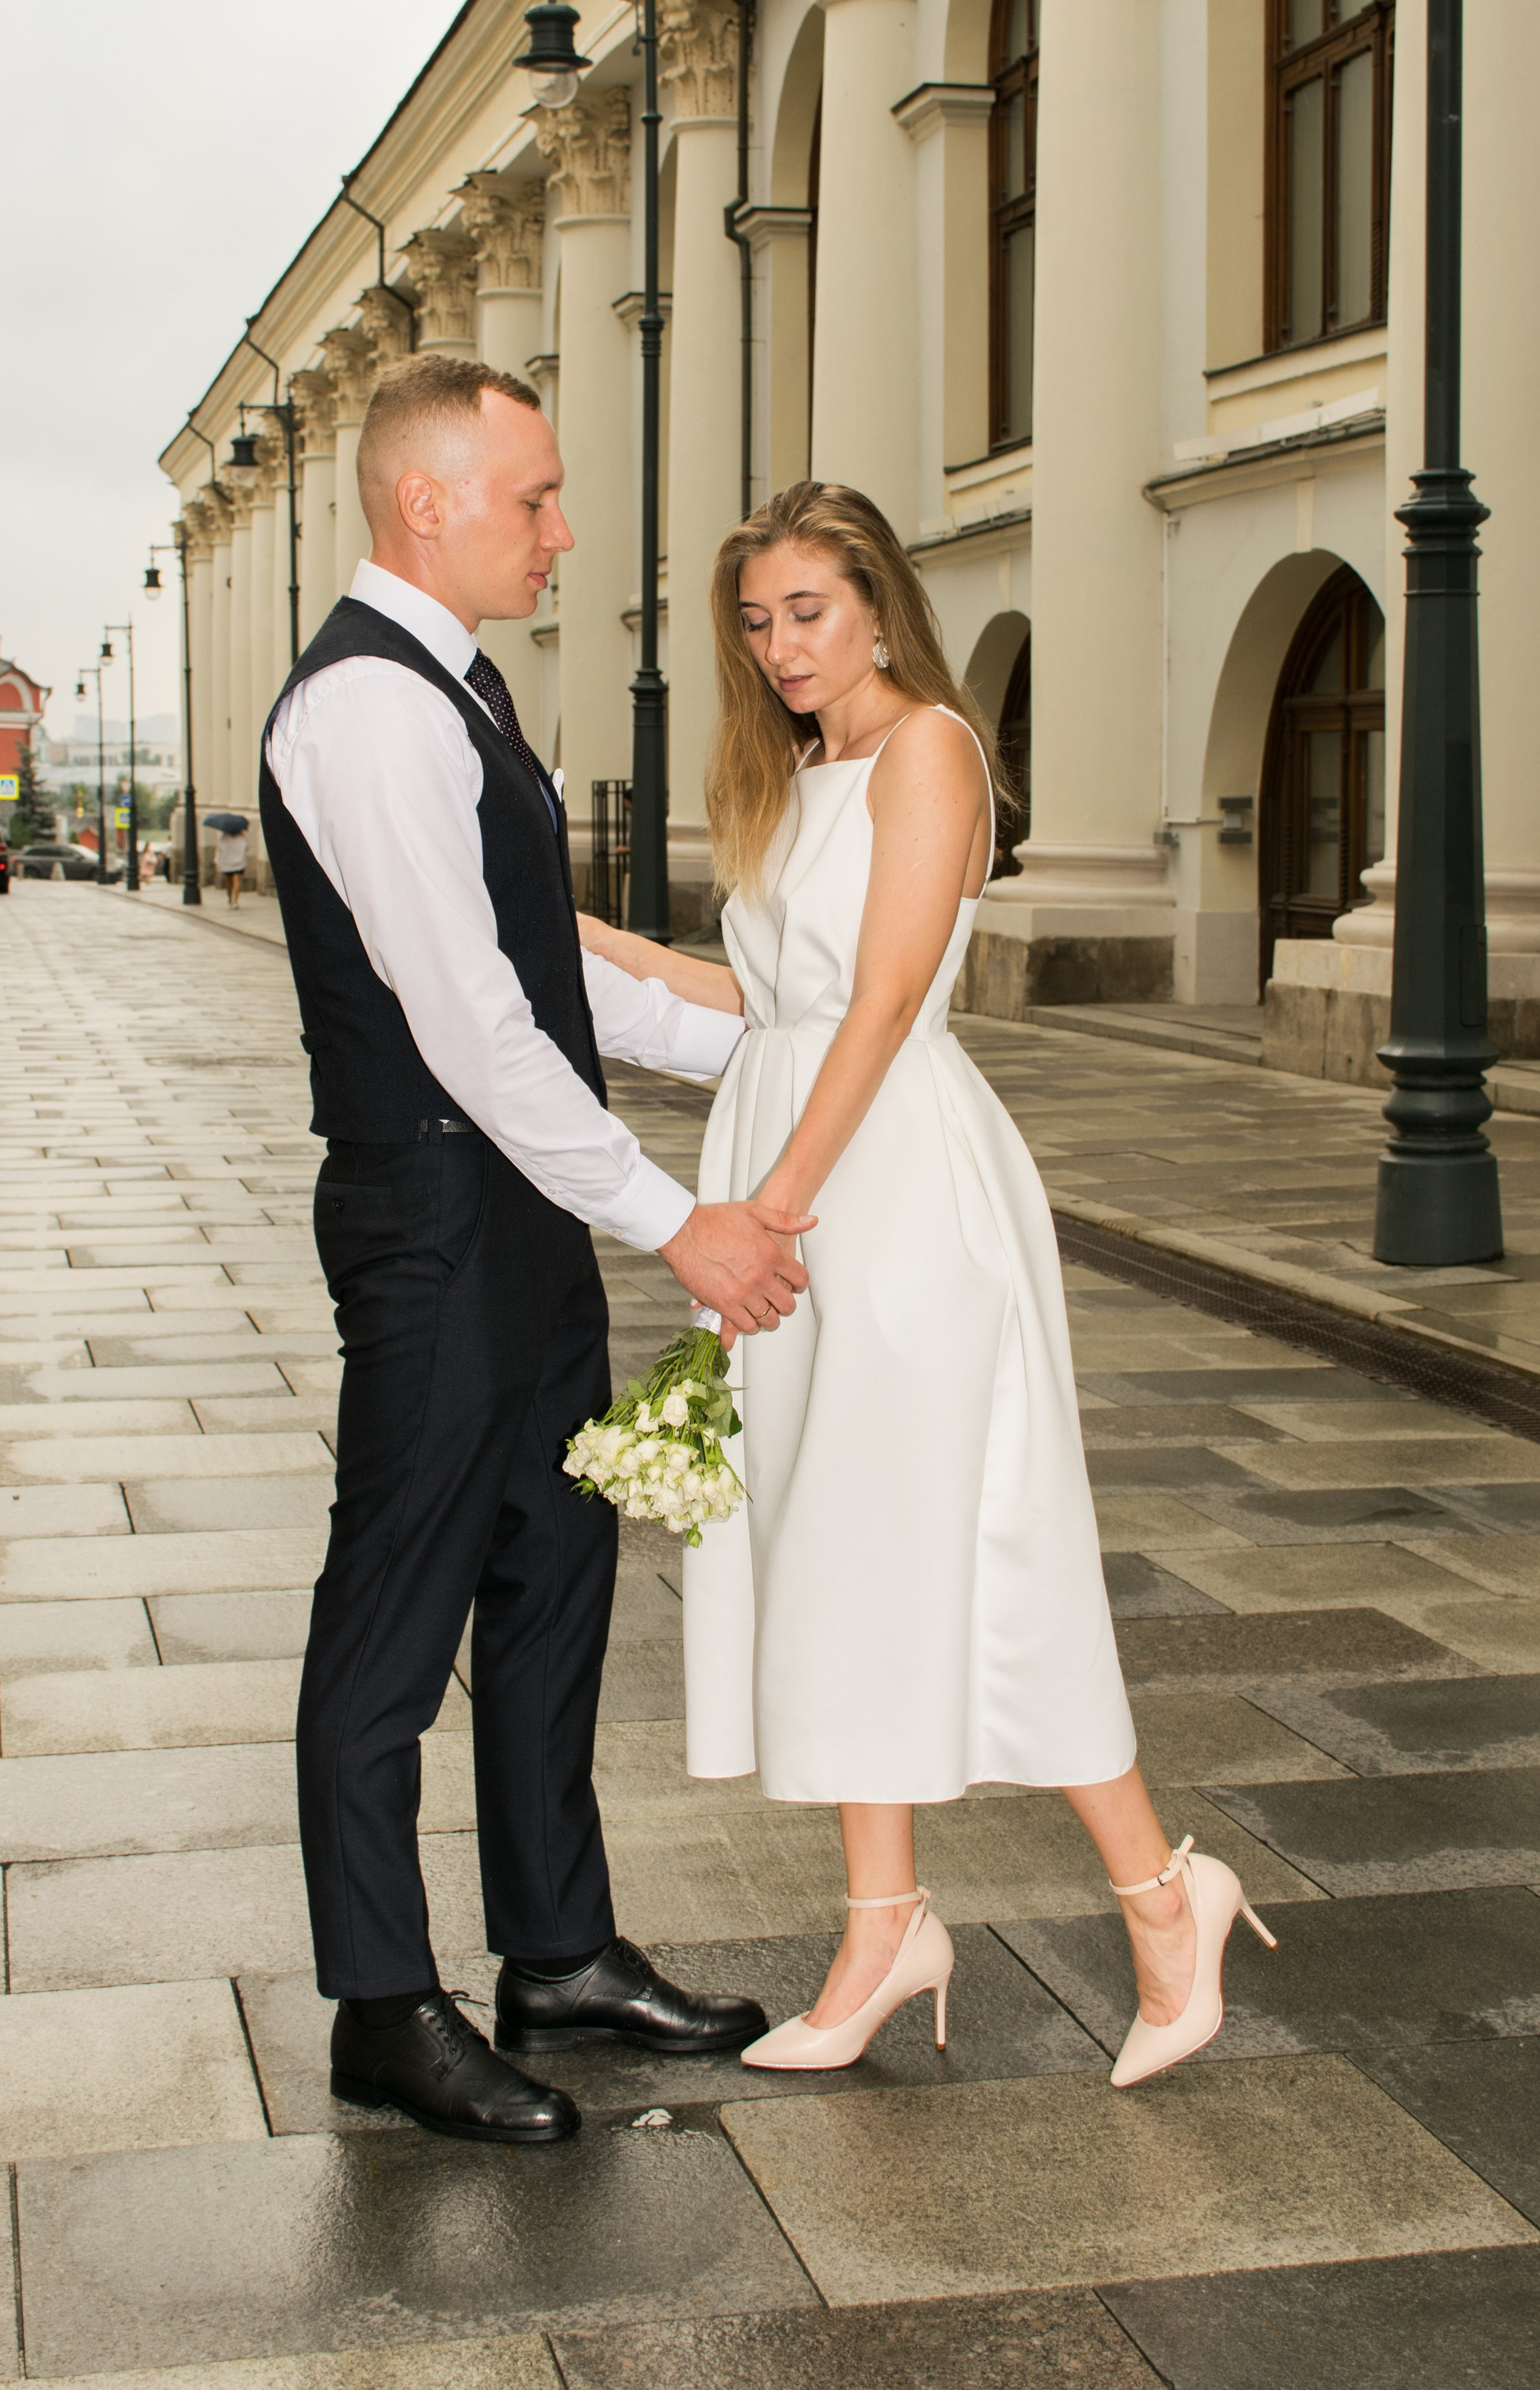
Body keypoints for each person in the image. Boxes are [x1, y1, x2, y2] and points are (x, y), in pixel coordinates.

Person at [579, 482, 1276, 2088]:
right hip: (803, 1157)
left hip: (878, 1186)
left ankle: (1165, 1895)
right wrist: (585, 938)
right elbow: (758, 999)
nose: (778, 648)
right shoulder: (798, 771)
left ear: (881, 609)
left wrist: (773, 1208)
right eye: (754, 622)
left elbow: (884, 1001)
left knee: (975, 1542)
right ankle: (883, 1924)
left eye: (807, 612)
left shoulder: (929, 750)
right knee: (832, 1547)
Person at [258, 354, 815, 2148]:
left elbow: (546, 976)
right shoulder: (366, 708)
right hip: (432, 1213)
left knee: (552, 1578)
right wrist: (683, 1222)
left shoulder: (459, 690)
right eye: (535, 497)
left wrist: (764, 1053)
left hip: (507, 1211)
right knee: (395, 1610)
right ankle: (379, 2000)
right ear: (426, 501)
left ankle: (557, 1950)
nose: (562, 531)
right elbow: (471, 1029)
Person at [215, 819, 249, 907]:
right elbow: (246, 848)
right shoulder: (240, 837)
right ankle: (234, 900)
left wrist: (218, 861)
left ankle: (232, 900)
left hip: (229, 863)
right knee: (234, 882)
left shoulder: (225, 837)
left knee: (232, 882)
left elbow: (220, 849)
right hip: (236, 863)